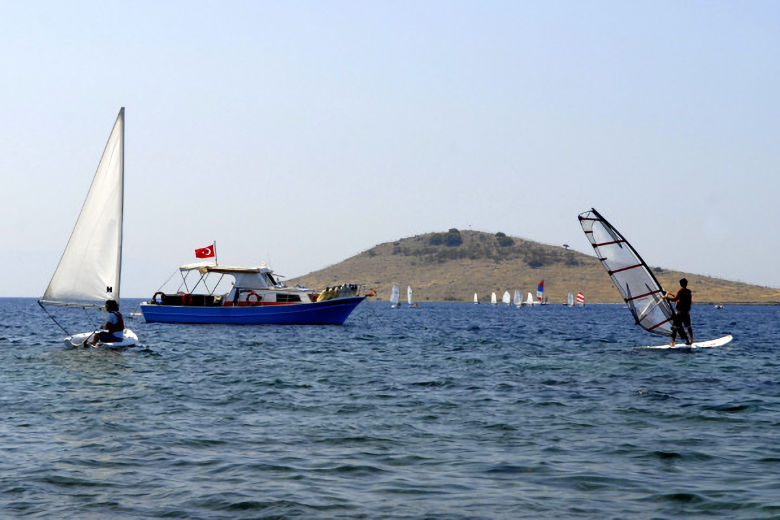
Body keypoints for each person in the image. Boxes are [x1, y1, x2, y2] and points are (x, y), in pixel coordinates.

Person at [663, 278, 693, 346]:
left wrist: (666, 297)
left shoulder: (680, 291)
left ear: (680, 284)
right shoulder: (688, 292)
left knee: (675, 327)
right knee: (688, 326)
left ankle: (673, 342)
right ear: (686, 284)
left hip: (680, 313)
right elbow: (679, 297)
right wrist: (670, 293)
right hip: (686, 313)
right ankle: (691, 340)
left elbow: (675, 299)